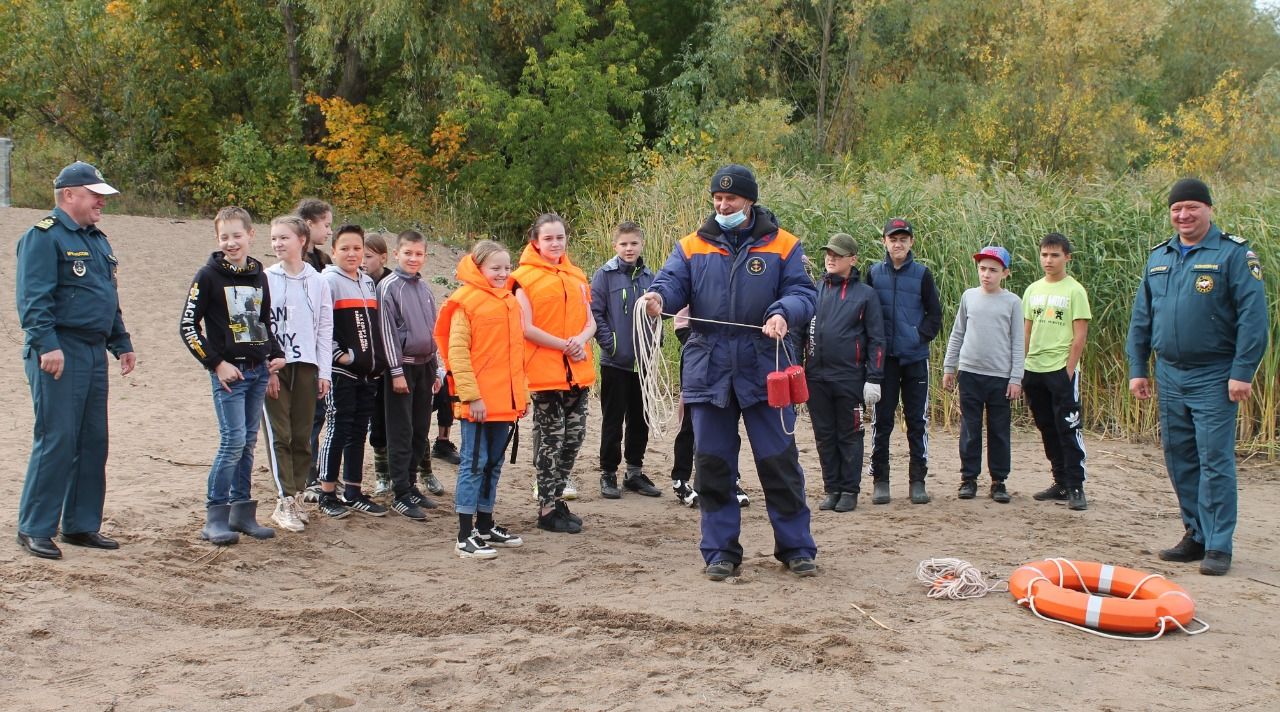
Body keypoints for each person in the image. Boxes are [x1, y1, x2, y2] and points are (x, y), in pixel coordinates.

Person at [643, 163, 819, 580]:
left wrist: (782, 313)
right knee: (714, 465)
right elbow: (672, 284)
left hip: (766, 366)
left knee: (779, 462)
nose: (723, 205)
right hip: (709, 368)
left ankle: (795, 547)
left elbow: (803, 294)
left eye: (732, 199)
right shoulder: (690, 246)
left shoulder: (784, 245)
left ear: (749, 201)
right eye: (718, 199)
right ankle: (720, 551)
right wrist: (656, 298)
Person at [1126, 178, 1268, 576]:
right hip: (1169, 374)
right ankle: (1195, 534)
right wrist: (1138, 369)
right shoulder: (1159, 257)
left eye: (1192, 207)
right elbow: (1142, 319)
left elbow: (1254, 320)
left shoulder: (1234, 255)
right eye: (1176, 209)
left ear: (1208, 209)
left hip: (1215, 375)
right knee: (1180, 458)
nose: (1184, 215)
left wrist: (1242, 372)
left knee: (1214, 459)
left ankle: (1219, 544)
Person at [16, 161, 137, 559]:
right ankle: (35, 527)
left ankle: (81, 525)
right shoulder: (44, 237)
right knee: (57, 438)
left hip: (92, 350)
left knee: (92, 439)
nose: (101, 201)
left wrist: (121, 342)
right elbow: (34, 299)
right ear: (70, 194)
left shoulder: (98, 240)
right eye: (94, 194)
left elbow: (107, 296)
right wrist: (46, 344)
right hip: (59, 351)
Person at [179, 206, 286, 545]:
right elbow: (187, 327)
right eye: (224, 237)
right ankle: (216, 514)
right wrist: (215, 363)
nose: (231, 243)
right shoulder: (207, 276)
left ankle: (243, 512)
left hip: (257, 372)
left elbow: (263, 321)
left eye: (237, 236)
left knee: (248, 444)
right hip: (230, 375)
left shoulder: (259, 275)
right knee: (232, 441)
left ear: (250, 236)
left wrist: (275, 354)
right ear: (217, 239)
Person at [435, 240, 528, 558]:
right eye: (495, 268)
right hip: (478, 403)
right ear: (479, 267)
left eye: (507, 267)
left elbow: (517, 355)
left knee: (493, 463)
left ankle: (486, 524)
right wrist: (471, 397)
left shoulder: (510, 302)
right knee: (473, 463)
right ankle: (464, 534)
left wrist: (521, 397)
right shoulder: (465, 302)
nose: (503, 273)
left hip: (505, 402)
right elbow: (457, 354)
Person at [512, 213, 596, 533]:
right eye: (548, 238)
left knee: (574, 438)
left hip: (577, 370)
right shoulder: (522, 278)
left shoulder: (576, 275)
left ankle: (558, 497)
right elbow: (526, 327)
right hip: (545, 372)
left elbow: (591, 321)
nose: (555, 243)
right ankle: (546, 507)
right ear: (535, 241)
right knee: (551, 439)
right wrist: (563, 344)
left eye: (559, 237)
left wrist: (580, 340)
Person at [262, 215, 333, 533]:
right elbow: (260, 325)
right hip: (277, 366)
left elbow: (323, 328)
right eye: (274, 238)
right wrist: (268, 367)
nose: (277, 243)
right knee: (281, 435)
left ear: (302, 240)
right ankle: (283, 499)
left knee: (304, 435)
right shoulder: (265, 278)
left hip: (307, 364)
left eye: (284, 238)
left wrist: (324, 371)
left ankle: (298, 495)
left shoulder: (318, 281)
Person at [805, 233, 884, 513]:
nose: (831, 258)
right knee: (824, 435)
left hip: (849, 378)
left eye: (837, 255)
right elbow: (801, 331)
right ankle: (832, 488)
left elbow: (877, 339)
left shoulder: (865, 295)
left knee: (849, 435)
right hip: (816, 377)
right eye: (829, 253)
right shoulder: (814, 290)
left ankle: (849, 490)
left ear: (852, 259)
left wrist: (874, 377)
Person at [866, 217, 943, 505]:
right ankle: (881, 480)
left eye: (903, 238)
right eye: (892, 238)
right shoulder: (874, 273)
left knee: (917, 421)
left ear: (911, 242)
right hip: (884, 360)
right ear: (884, 241)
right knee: (881, 421)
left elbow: (934, 315)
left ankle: (917, 481)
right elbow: (867, 313)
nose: (898, 243)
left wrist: (917, 337)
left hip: (914, 359)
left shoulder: (922, 274)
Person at [941, 246, 1024, 503]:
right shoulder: (969, 297)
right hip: (970, 372)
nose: (986, 275)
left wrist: (1015, 378)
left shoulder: (1013, 302)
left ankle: (999, 481)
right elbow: (958, 333)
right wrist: (948, 367)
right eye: (982, 269)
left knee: (999, 430)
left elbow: (1018, 342)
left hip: (999, 376)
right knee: (970, 427)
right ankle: (969, 478)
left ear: (1005, 273)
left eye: (993, 270)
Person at [316, 225, 388, 519]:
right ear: (333, 251)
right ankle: (326, 492)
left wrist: (375, 360)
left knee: (359, 431)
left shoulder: (368, 282)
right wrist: (340, 356)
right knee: (338, 428)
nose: (351, 253)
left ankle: (353, 491)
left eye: (357, 248)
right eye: (344, 248)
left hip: (367, 373)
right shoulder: (327, 281)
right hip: (340, 372)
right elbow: (320, 324)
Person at [591, 221, 661, 499]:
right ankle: (608, 473)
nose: (629, 248)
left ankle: (634, 472)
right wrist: (611, 345)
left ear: (641, 245)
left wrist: (654, 345)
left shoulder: (650, 278)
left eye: (633, 243)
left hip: (643, 363)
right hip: (615, 363)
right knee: (612, 419)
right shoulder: (604, 276)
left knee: (639, 418)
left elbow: (660, 314)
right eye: (624, 244)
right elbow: (596, 314)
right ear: (615, 246)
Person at [1022, 233, 1091, 511]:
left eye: (1055, 255)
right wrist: (1022, 363)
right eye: (1044, 255)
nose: (1048, 260)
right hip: (1033, 368)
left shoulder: (1074, 290)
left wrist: (1069, 369)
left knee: (1068, 427)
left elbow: (1080, 335)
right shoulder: (1033, 290)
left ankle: (1076, 486)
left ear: (1066, 258)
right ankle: (1060, 481)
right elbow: (1026, 330)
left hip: (1060, 369)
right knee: (1046, 426)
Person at [378, 229, 442, 521]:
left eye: (418, 254)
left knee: (420, 428)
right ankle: (400, 491)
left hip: (425, 365)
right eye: (408, 253)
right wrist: (395, 371)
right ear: (396, 254)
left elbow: (434, 330)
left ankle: (412, 484)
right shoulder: (389, 286)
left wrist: (437, 368)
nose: (413, 259)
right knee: (401, 430)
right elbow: (387, 332)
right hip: (401, 367)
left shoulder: (425, 288)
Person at [297, 198, 333, 502]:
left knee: (318, 415)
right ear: (309, 224)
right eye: (326, 224)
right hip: (301, 351)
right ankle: (306, 477)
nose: (329, 231)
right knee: (307, 418)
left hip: (321, 349)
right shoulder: (298, 265)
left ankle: (315, 473)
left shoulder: (323, 261)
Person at [362, 232, 394, 495]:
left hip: (393, 362)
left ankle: (422, 470)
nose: (362, 261)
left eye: (368, 256)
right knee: (377, 422)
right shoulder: (358, 283)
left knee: (404, 421)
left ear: (383, 257)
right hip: (368, 365)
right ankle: (382, 473)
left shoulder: (392, 284)